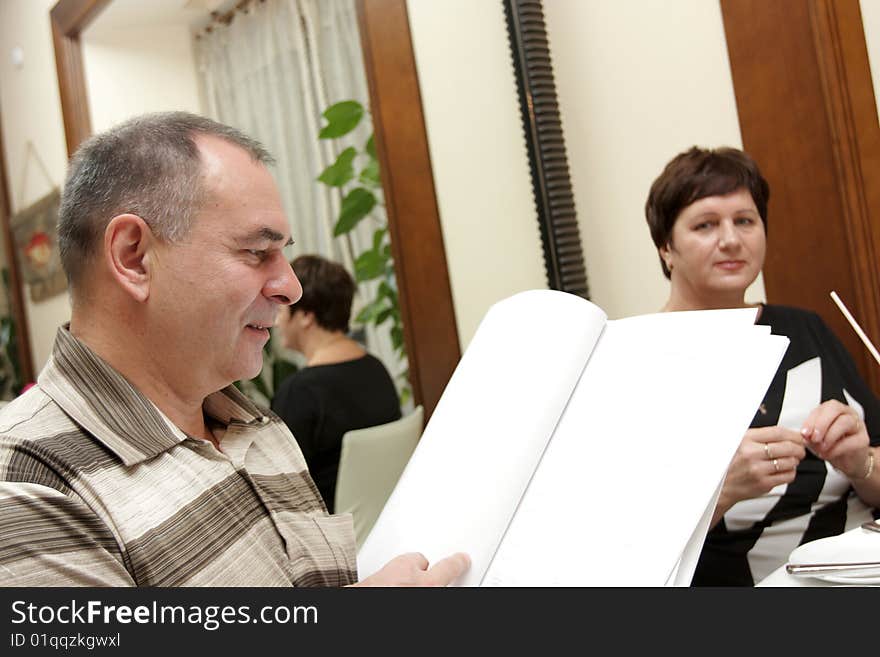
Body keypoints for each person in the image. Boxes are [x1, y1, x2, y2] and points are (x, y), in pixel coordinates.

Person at [0, 111, 468, 587]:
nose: (290, 288)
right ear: (133, 258)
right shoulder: (26, 485)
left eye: (283, 253)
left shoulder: (254, 424)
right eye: (257, 253)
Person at [645, 146, 880, 586]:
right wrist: (722, 493)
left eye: (745, 221)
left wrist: (859, 462)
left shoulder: (806, 329)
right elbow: (625, 546)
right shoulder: (640, 359)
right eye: (705, 225)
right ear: (666, 248)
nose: (731, 239)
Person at [271, 254, 401, 513]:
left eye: (282, 309)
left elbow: (279, 491)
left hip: (329, 536)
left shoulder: (299, 392)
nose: (276, 321)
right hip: (385, 521)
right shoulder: (376, 369)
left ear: (306, 315)